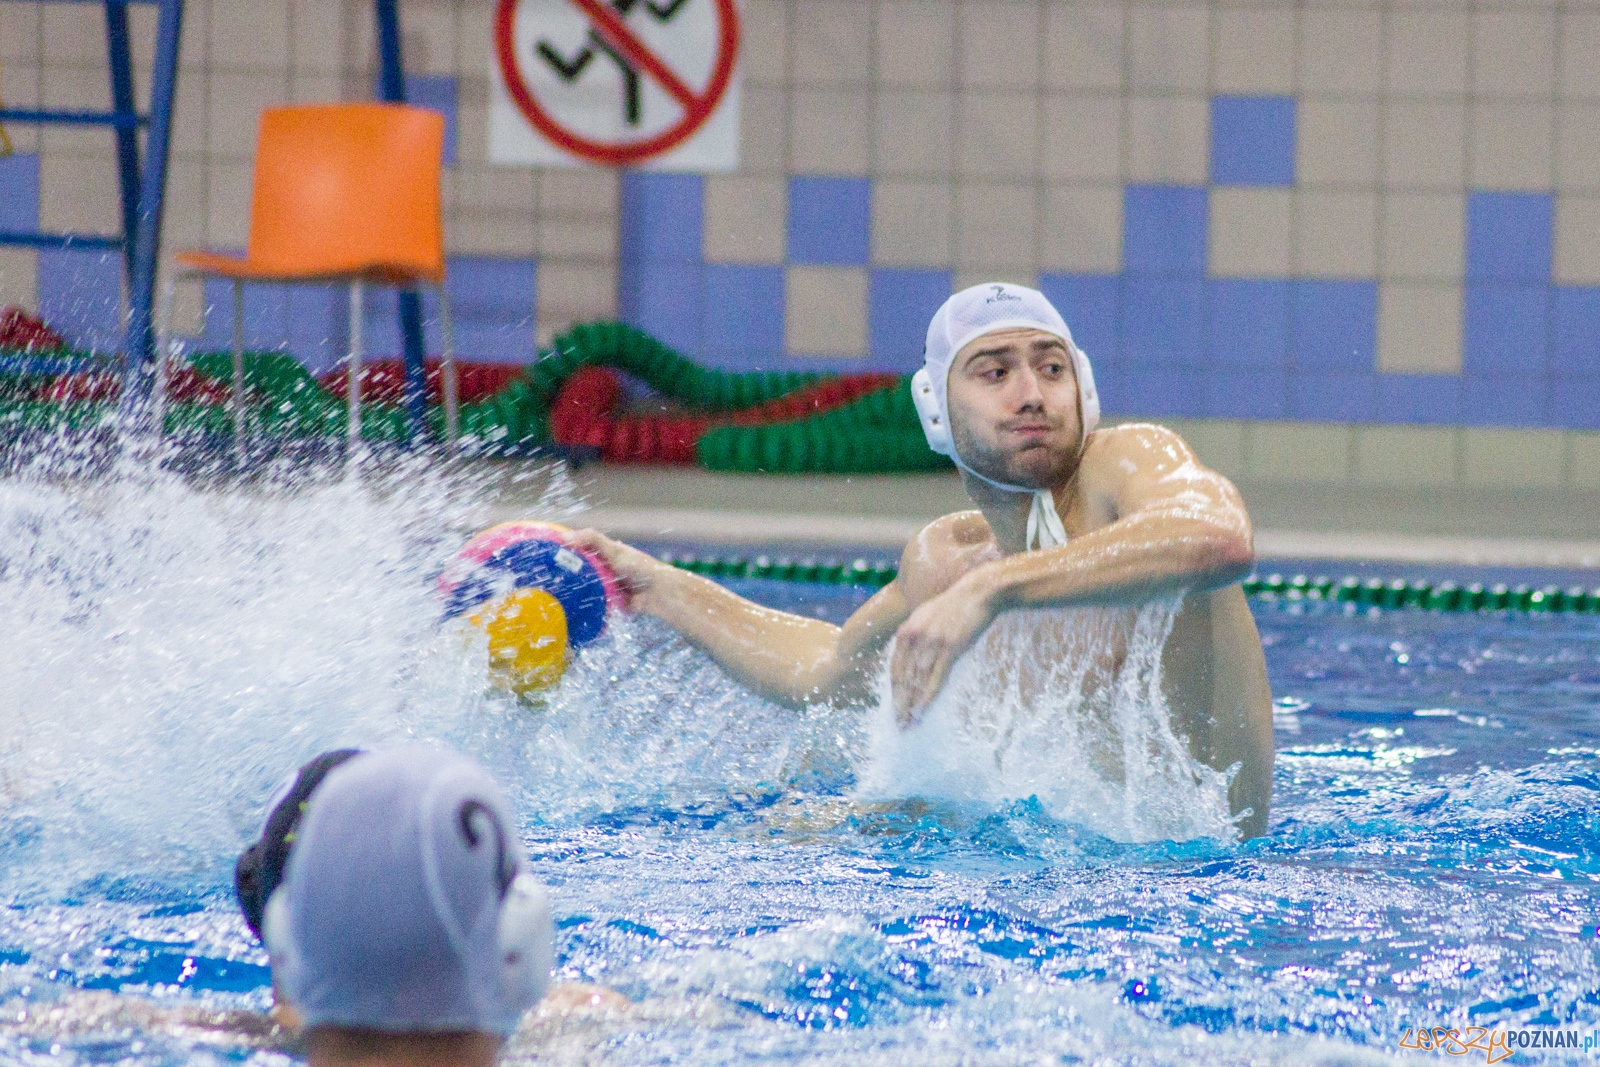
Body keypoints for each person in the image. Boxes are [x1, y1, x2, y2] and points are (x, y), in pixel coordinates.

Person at [573, 282, 1274, 838]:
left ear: (1084, 392)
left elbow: (1215, 532)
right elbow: (826, 668)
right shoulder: (952, 561)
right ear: (936, 410)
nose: (1031, 392)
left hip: (1214, 882)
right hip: (1062, 885)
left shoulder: (1125, 469)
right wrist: (659, 587)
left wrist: (994, 590)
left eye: (1051, 367)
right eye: (994, 371)